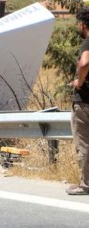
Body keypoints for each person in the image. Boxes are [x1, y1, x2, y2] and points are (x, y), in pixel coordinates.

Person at [66, 8, 89, 195]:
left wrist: (78, 82)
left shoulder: (87, 42)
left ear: (82, 25)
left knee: (84, 144)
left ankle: (86, 185)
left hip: (85, 101)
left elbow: (84, 63)